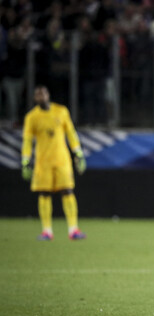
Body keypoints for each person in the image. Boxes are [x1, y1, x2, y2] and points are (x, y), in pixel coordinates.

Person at [21, 85, 87, 241]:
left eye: (43, 93)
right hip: (43, 162)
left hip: (62, 159)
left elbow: (71, 133)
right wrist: (25, 161)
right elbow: (27, 141)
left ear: (48, 94)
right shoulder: (32, 117)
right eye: (37, 94)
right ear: (34, 99)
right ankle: (47, 231)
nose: (41, 96)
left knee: (68, 191)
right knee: (44, 194)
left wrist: (78, 153)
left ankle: (73, 229)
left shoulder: (61, 111)